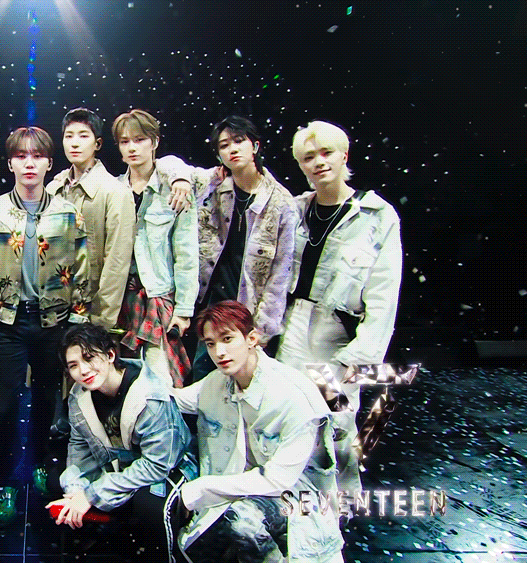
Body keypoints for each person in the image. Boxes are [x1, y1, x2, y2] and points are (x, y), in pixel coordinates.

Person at [277, 120, 403, 495]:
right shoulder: (295, 209)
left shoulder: (376, 215)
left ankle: (343, 501)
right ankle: (294, 500)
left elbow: (384, 293)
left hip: (336, 332)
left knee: (338, 419)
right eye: (308, 157)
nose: (318, 162)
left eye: (326, 153)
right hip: (292, 324)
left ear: (344, 155)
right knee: (289, 411)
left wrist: (362, 356)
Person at [0, 127, 90, 503]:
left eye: (37, 156)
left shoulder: (69, 214)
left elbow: (82, 273)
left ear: (49, 163)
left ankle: (38, 463)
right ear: (10, 164)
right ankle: (6, 479)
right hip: (7, 322)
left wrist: (77, 329)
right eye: (21, 156)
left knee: (46, 400)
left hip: (54, 323)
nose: (29, 163)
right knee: (4, 405)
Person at [172, 300, 343, 563]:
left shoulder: (293, 396)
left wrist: (201, 488)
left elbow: (278, 480)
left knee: (242, 521)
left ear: (251, 339)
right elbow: (174, 400)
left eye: (227, 339)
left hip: (298, 499)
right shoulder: (218, 381)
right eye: (210, 343)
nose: (219, 352)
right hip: (242, 488)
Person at [46, 323, 194, 557]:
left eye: (89, 358)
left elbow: (157, 465)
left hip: (169, 467)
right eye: (74, 365)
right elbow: (79, 444)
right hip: (119, 465)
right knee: (59, 483)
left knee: (149, 505)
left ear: (110, 355)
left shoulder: (150, 397)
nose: (83, 370)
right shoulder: (79, 395)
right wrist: (77, 489)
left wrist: (92, 494)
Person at [185, 116, 298, 380]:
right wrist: (181, 180)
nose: (232, 149)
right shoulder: (211, 186)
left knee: (246, 384)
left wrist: (263, 329)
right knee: (202, 379)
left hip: (248, 312)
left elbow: (281, 273)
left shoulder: (281, 203)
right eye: (224, 146)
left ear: (255, 146)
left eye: (238, 141)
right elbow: (168, 166)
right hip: (209, 306)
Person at [112, 109, 198, 388]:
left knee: (162, 380)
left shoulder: (174, 188)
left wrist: (184, 309)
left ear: (155, 142)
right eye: (125, 141)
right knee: (123, 380)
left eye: (139, 139)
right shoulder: (113, 190)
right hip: (119, 299)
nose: (132, 148)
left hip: (157, 295)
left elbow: (186, 253)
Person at [45, 108, 135, 330]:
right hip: (51, 309)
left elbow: (117, 261)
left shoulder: (116, 192)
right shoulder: (53, 189)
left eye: (83, 136)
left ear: (98, 144)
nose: (75, 143)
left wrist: (101, 320)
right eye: (69, 136)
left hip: (90, 311)